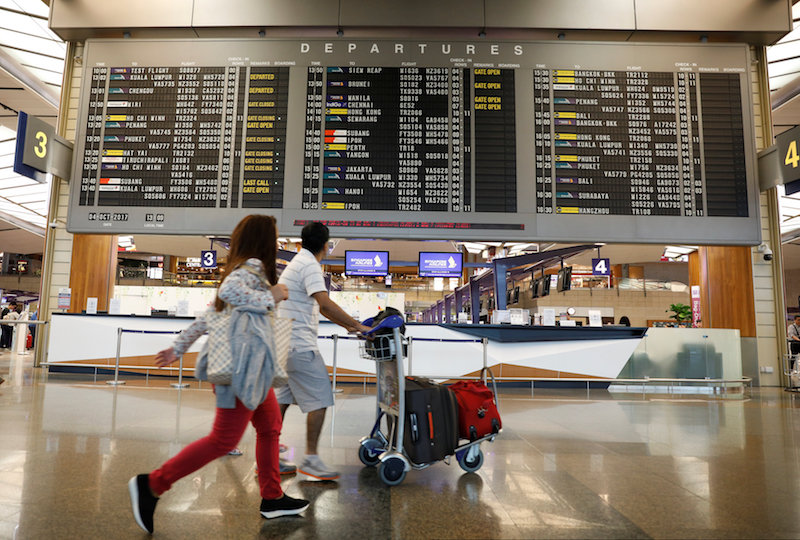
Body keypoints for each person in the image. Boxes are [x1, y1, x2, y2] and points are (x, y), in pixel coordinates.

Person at [128, 215, 309, 535]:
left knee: (270, 426)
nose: (277, 243)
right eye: (275, 238)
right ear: (264, 240)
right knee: (223, 439)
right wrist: (273, 296)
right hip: (241, 369)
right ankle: (152, 483)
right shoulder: (251, 267)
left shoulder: (244, 268)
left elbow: (212, 314)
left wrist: (177, 348)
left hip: (252, 369)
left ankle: (272, 497)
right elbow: (231, 293)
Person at [276, 222, 371, 481]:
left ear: (301, 242)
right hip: (299, 346)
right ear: (326, 246)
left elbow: (319, 307)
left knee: (282, 400)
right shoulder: (309, 265)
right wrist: (356, 325)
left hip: (286, 344)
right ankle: (311, 459)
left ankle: (269, 454)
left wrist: (351, 326)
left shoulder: (297, 261)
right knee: (321, 398)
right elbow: (325, 304)